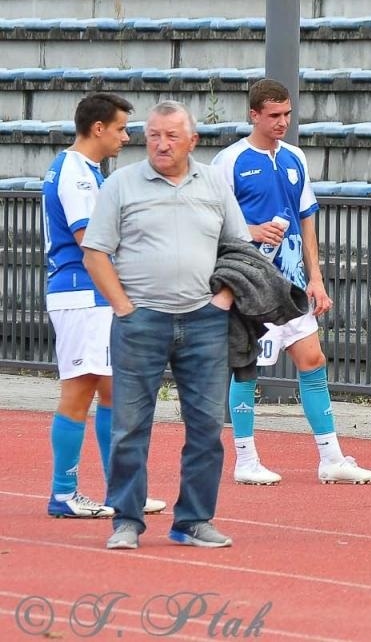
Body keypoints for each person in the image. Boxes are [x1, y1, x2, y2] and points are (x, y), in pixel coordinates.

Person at [82, 101, 249, 551]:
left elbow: (240, 249)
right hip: (141, 321)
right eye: (154, 134)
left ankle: (193, 521)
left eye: (172, 135)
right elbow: (95, 251)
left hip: (205, 322)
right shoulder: (121, 184)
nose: (161, 143)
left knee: (207, 426)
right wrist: (123, 308)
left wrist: (222, 302)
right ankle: (127, 521)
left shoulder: (214, 182)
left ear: (192, 141)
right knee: (130, 425)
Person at [212, 79, 371, 486]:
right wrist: (252, 230)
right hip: (249, 283)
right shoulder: (229, 161)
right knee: (246, 371)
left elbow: (307, 221)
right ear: (254, 115)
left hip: (290, 284)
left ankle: (331, 458)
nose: (282, 122)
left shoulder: (295, 158)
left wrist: (316, 279)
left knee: (313, 360)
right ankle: (246, 459)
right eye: (274, 116)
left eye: (287, 114)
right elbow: (212, 222)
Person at [41, 94, 169, 519]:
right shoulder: (76, 173)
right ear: (98, 128)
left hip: (92, 294)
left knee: (113, 391)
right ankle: (63, 493)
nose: (125, 137)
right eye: (119, 128)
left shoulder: (86, 170)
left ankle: (121, 488)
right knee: (80, 389)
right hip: (82, 294)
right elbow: (88, 241)